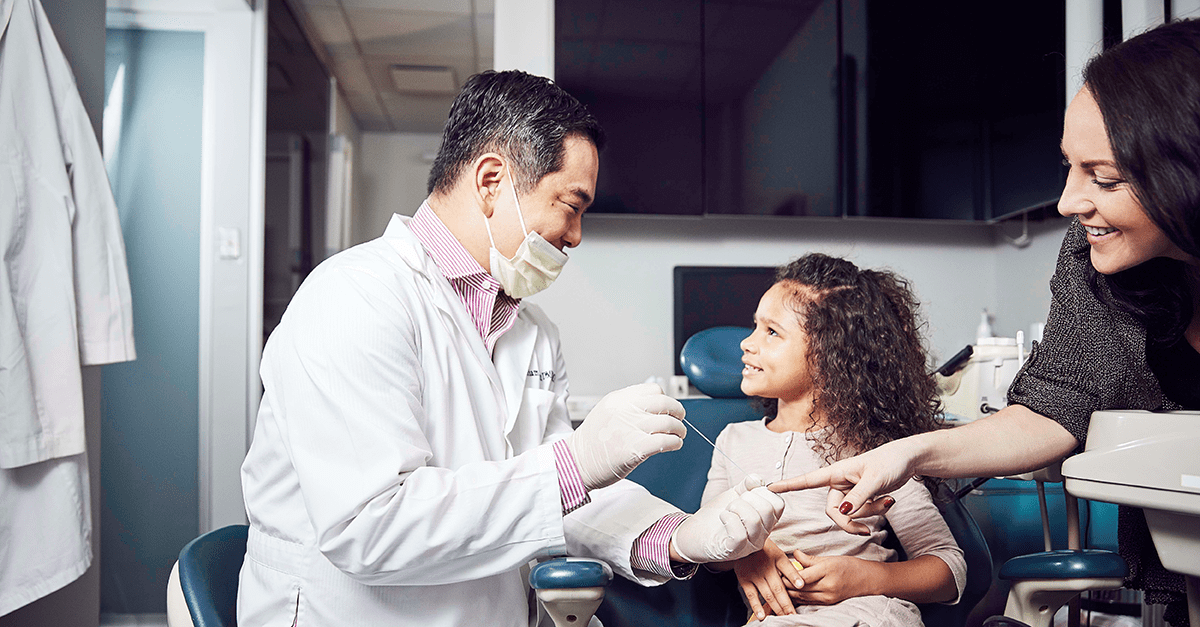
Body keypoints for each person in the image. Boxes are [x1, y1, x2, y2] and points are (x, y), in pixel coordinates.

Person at [236, 69, 785, 627]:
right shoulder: (354, 297)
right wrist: (575, 461)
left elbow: (562, 499)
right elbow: (370, 526)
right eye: (571, 205)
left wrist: (681, 538)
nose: (575, 236)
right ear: (492, 180)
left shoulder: (532, 331)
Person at [769, 19, 1200, 627]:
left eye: (1104, 177)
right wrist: (906, 454)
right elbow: (1057, 407)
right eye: (1070, 167)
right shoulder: (1093, 257)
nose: (1069, 202)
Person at [701, 254, 966, 626]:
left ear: (829, 354)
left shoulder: (876, 450)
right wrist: (747, 553)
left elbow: (949, 570)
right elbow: (707, 542)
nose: (747, 342)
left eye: (772, 332)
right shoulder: (733, 440)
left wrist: (868, 578)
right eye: (754, 326)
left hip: (870, 615)